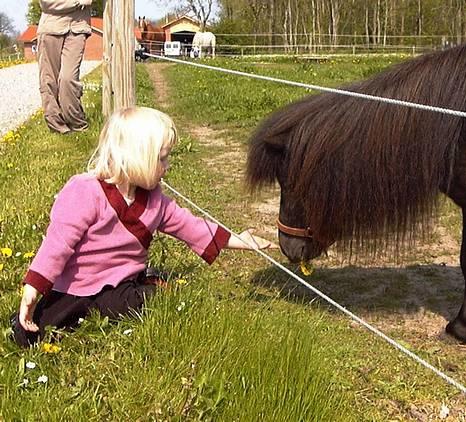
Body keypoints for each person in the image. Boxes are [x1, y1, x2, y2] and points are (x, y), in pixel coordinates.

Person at [11, 107, 276, 347]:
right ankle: (24, 321)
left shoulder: (154, 201)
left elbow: (191, 226)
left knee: (148, 302)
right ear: (137, 157)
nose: (167, 167)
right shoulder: (84, 191)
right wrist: (33, 289)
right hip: (76, 288)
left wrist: (241, 240)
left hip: (119, 287)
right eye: (162, 159)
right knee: (32, 333)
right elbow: (57, 244)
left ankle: (148, 283)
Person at [37, 0, 92, 134]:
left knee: (68, 78)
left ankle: (77, 123)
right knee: (49, 80)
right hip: (51, 28)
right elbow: (46, 3)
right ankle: (57, 125)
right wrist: (77, 2)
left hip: (78, 28)